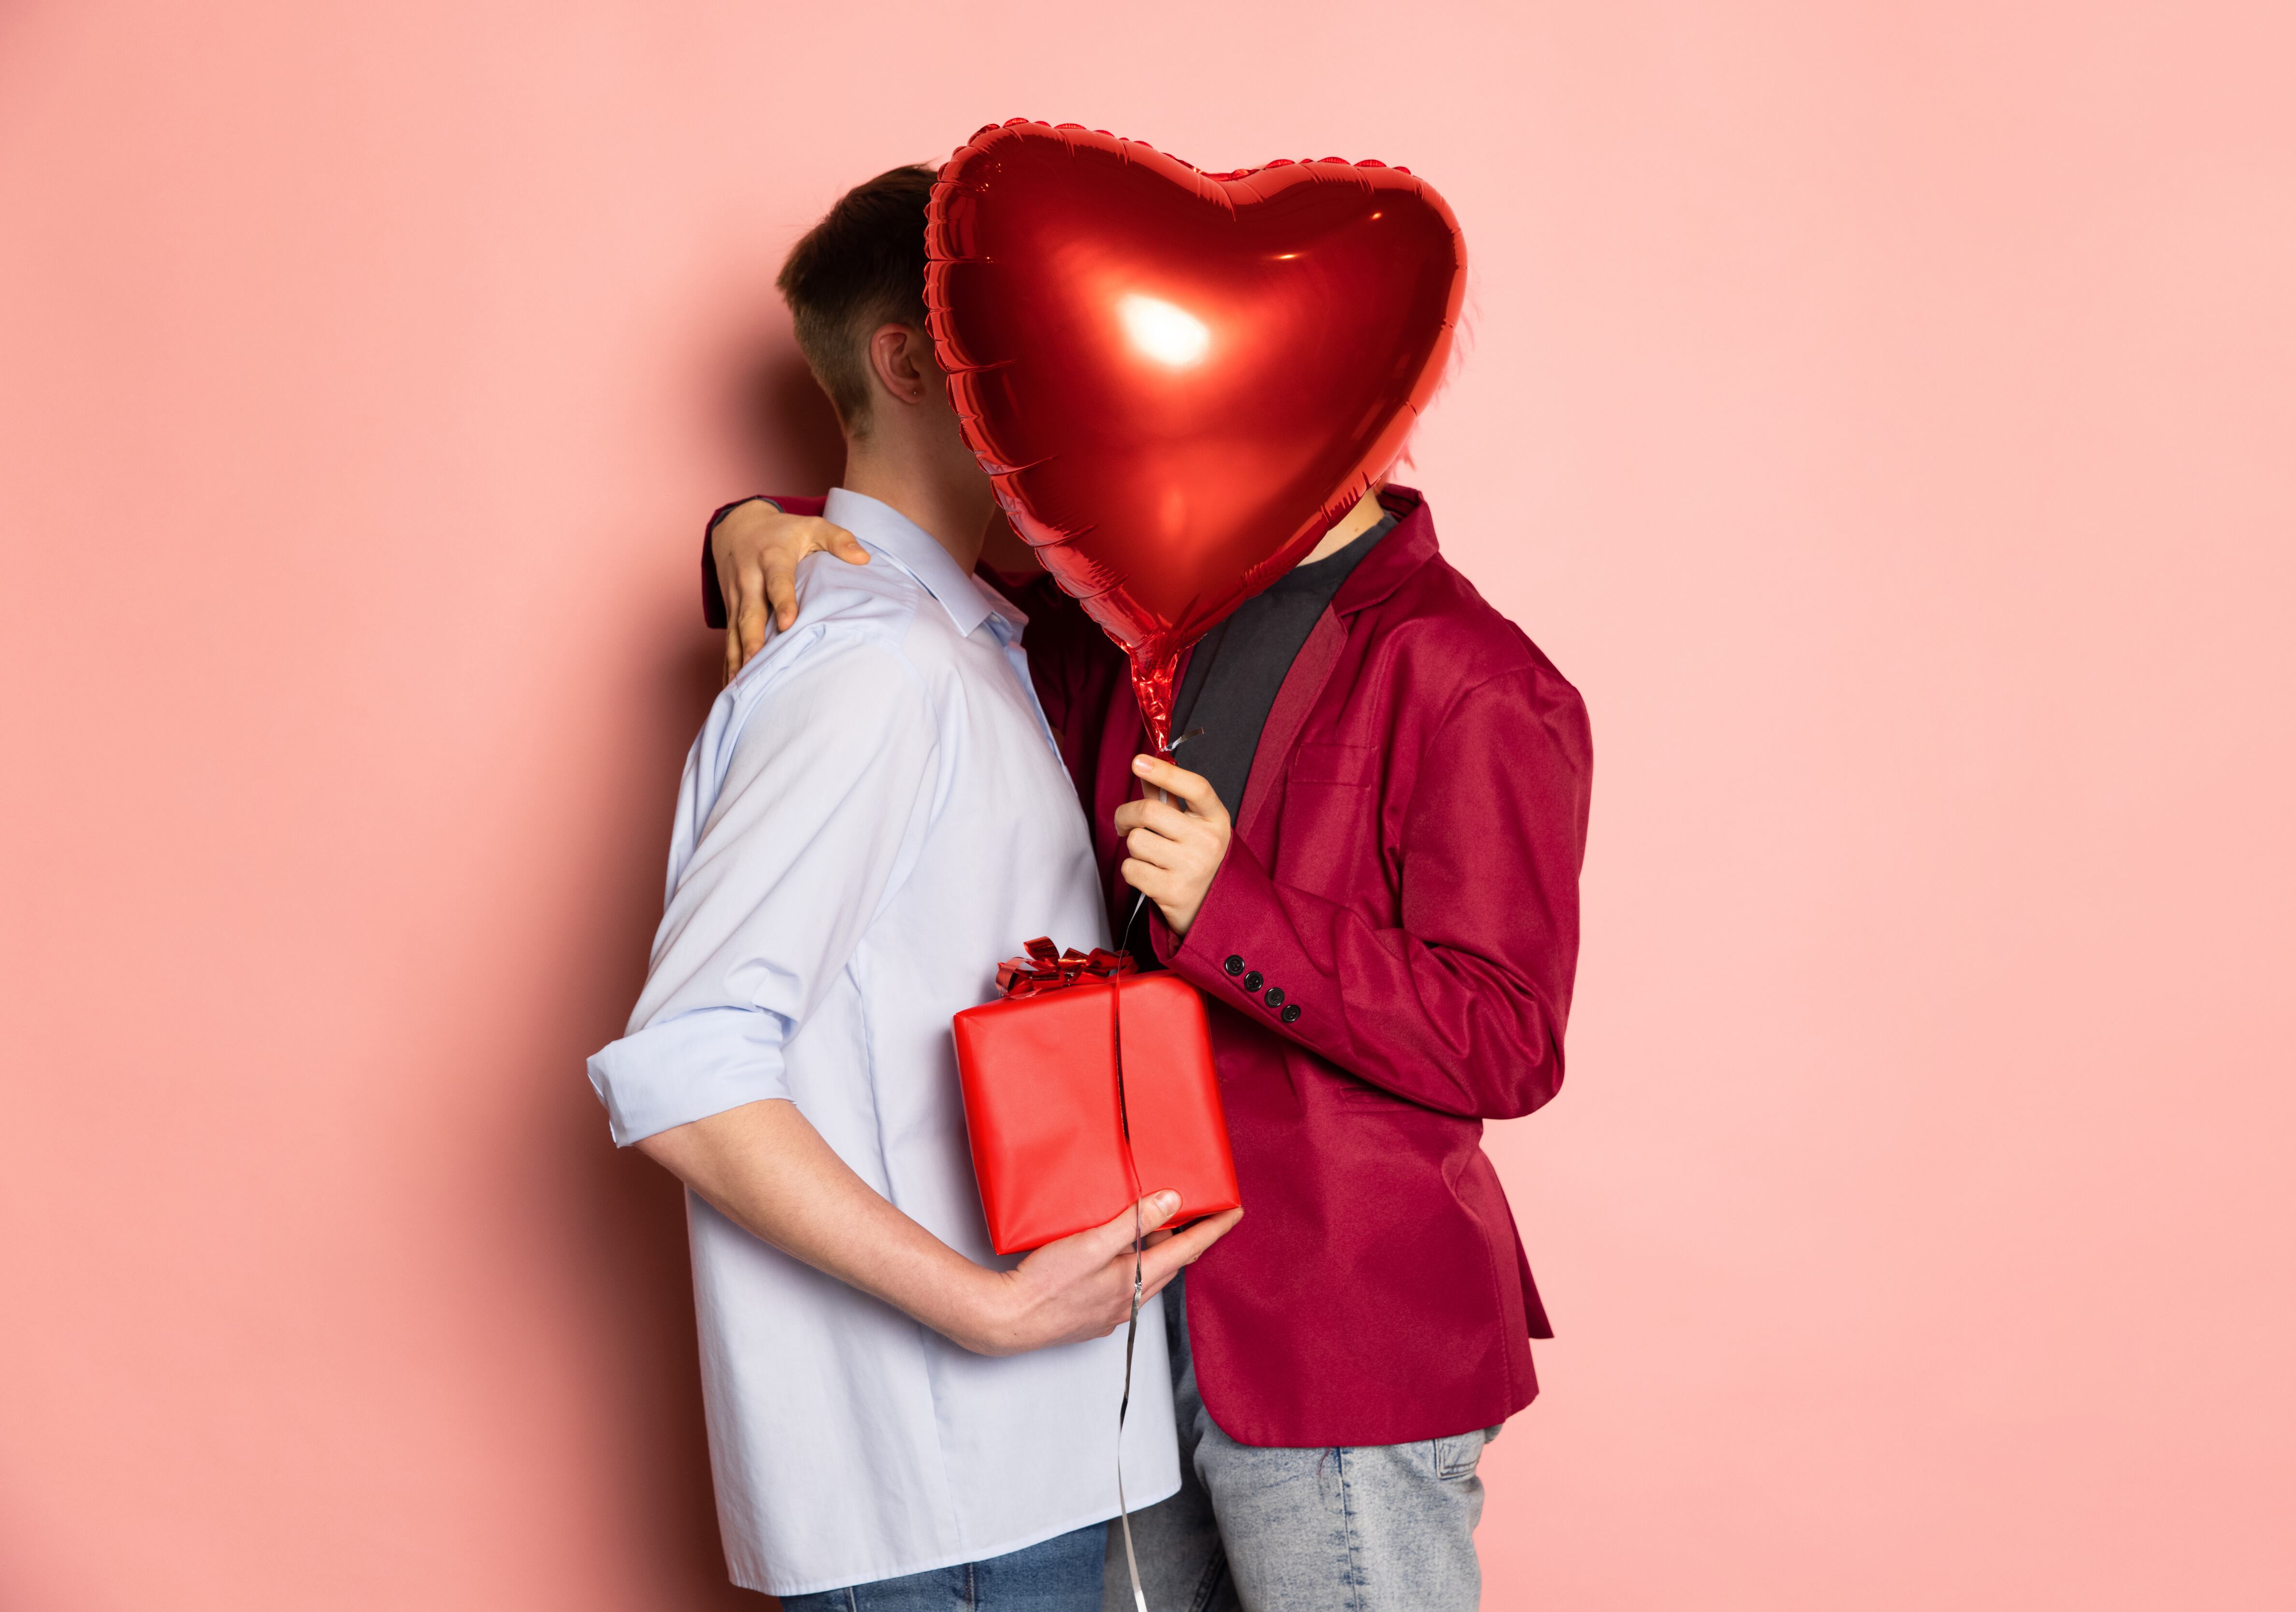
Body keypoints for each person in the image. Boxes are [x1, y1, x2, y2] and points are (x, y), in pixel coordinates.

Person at [706, 166, 1591, 1612]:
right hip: (1112, 1339)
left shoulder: (1478, 679)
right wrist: (757, 524)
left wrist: (1231, 906)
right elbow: (936, 596)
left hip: (1344, 1346)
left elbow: (1507, 1041)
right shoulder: (1130, 621)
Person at [588, 165, 1240, 1611]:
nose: (1077, 388)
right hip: (949, 1499)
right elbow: (685, 1066)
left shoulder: (965, 646)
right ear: (909, 363)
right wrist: (985, 1313)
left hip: (1040, 1466)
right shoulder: (874, 667)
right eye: (1033, 342)